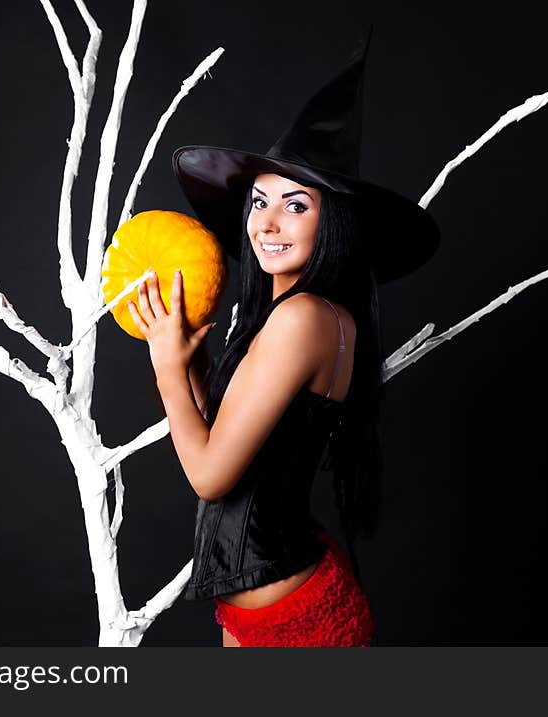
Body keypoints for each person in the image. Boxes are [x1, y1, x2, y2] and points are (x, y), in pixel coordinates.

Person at [127, 28, 439, 646]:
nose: (266, 223)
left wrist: (165, 365)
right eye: (259, 201)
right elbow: (231, 435)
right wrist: (190, 355)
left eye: (297, 205)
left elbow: (211, 475)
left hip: (294, 622)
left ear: (334, 221)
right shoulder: (311, 316)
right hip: (263, 609)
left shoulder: (303, 320)